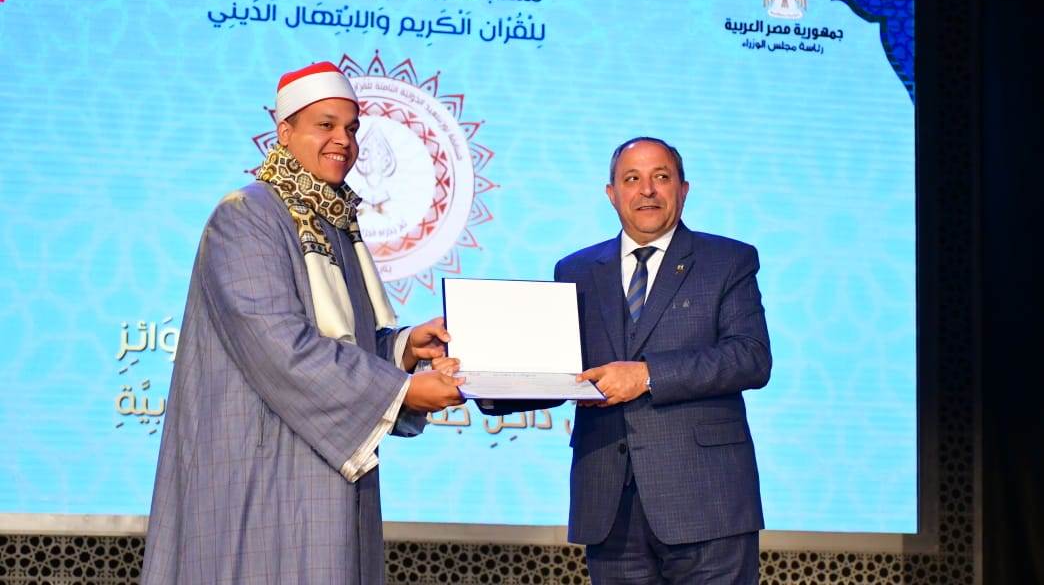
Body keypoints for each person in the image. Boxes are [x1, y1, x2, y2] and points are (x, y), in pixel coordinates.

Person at [142, 61, 465, 585]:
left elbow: (344, 341)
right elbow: (280, 346)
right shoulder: (246, 216)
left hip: (325, 462)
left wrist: (405, 349)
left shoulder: (333, 221)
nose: (343, 141)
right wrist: (402, 391)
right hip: (263, 467)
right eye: (325, 125)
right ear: (285, 131)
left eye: (351, 128)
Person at [487, 137, 771, 584]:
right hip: (610, 506)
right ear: (612, 193)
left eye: (661, 177)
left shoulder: (728, 260)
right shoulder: (575, 270)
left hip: (707, 503)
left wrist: (647, 375)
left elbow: (749, 356)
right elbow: (561, 370)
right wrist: (477, 381)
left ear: (683, 188)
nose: (647, 190)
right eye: (632, 179)